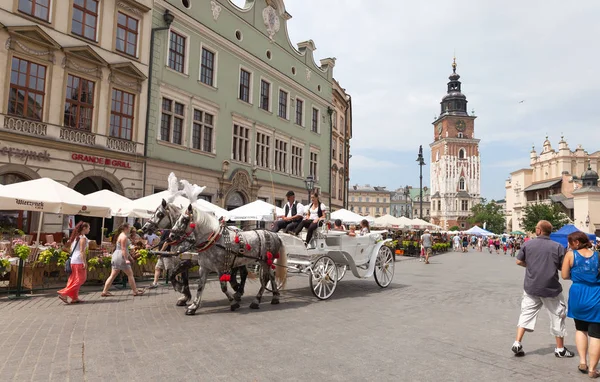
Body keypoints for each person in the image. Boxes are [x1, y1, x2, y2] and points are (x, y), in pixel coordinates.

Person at [511, 220, 574, 358]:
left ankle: (517, 342)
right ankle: (560, 349)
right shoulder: (557, 246)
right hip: (550, 288)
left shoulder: (528, 244)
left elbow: (519, 261)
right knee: (557, 315)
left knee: (526, 314)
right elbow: (562, 267)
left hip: (531, 286)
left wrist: (532, 266)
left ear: (539, 230)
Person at [561, 231, 600, 377]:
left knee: (581, 329)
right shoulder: (597, 255)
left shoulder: (570, 255)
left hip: (578, 293)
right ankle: (593, 370)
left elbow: (564, 275)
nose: (569, 245)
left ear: (576, 243)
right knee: (596, 334)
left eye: (570, 243)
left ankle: (583, 361)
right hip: (596, 294)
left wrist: (578, 276)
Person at [101, 223, 144, 297]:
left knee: (112, 275)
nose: (130, 229)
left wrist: (129, 257)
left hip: (117, 256)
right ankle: (135, 291)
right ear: (125, 228)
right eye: (129, 227)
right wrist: (127, 259)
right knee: (130, 275)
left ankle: (104, 291)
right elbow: (123, 249)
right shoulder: (124, 237)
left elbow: (125, 249)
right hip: (121, 257)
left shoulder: (121, 235)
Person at [57, 222, 90, 304]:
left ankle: (75, 298)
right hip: (79, 260)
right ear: (84, 228)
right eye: (88, 228)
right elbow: (82, 251)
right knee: (81, 279)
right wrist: (84, 262)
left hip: (73, 260)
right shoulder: (83, 238)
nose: (89, 230)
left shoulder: (76, 237)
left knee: (73, 279)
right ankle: (64, 293)